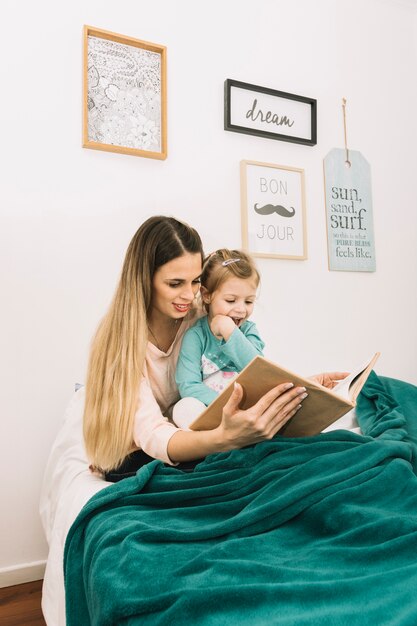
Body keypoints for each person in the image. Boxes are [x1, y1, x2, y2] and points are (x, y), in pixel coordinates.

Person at [83, 215, 346, 482]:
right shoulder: (119, 342)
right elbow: (153, 435)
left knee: (302, 455)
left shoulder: (203, 315)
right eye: (175, 283)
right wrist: (226, 438)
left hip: (200, 432)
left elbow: (248, 368)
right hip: (137, 453)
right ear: (144, 280)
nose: (189, 295)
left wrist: (299, 389)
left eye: (196, 281)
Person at [173, 248, 265, 429]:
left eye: (248, 301)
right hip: (212, 409)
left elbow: (258, 370)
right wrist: (225, 407)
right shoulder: (196, 335)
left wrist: (230, 331)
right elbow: (188, 385)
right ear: (207, 295)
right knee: (183, 408)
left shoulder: (249, 331)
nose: (241, 310)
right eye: (231, 300)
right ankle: (214, 441)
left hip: (247, 409)